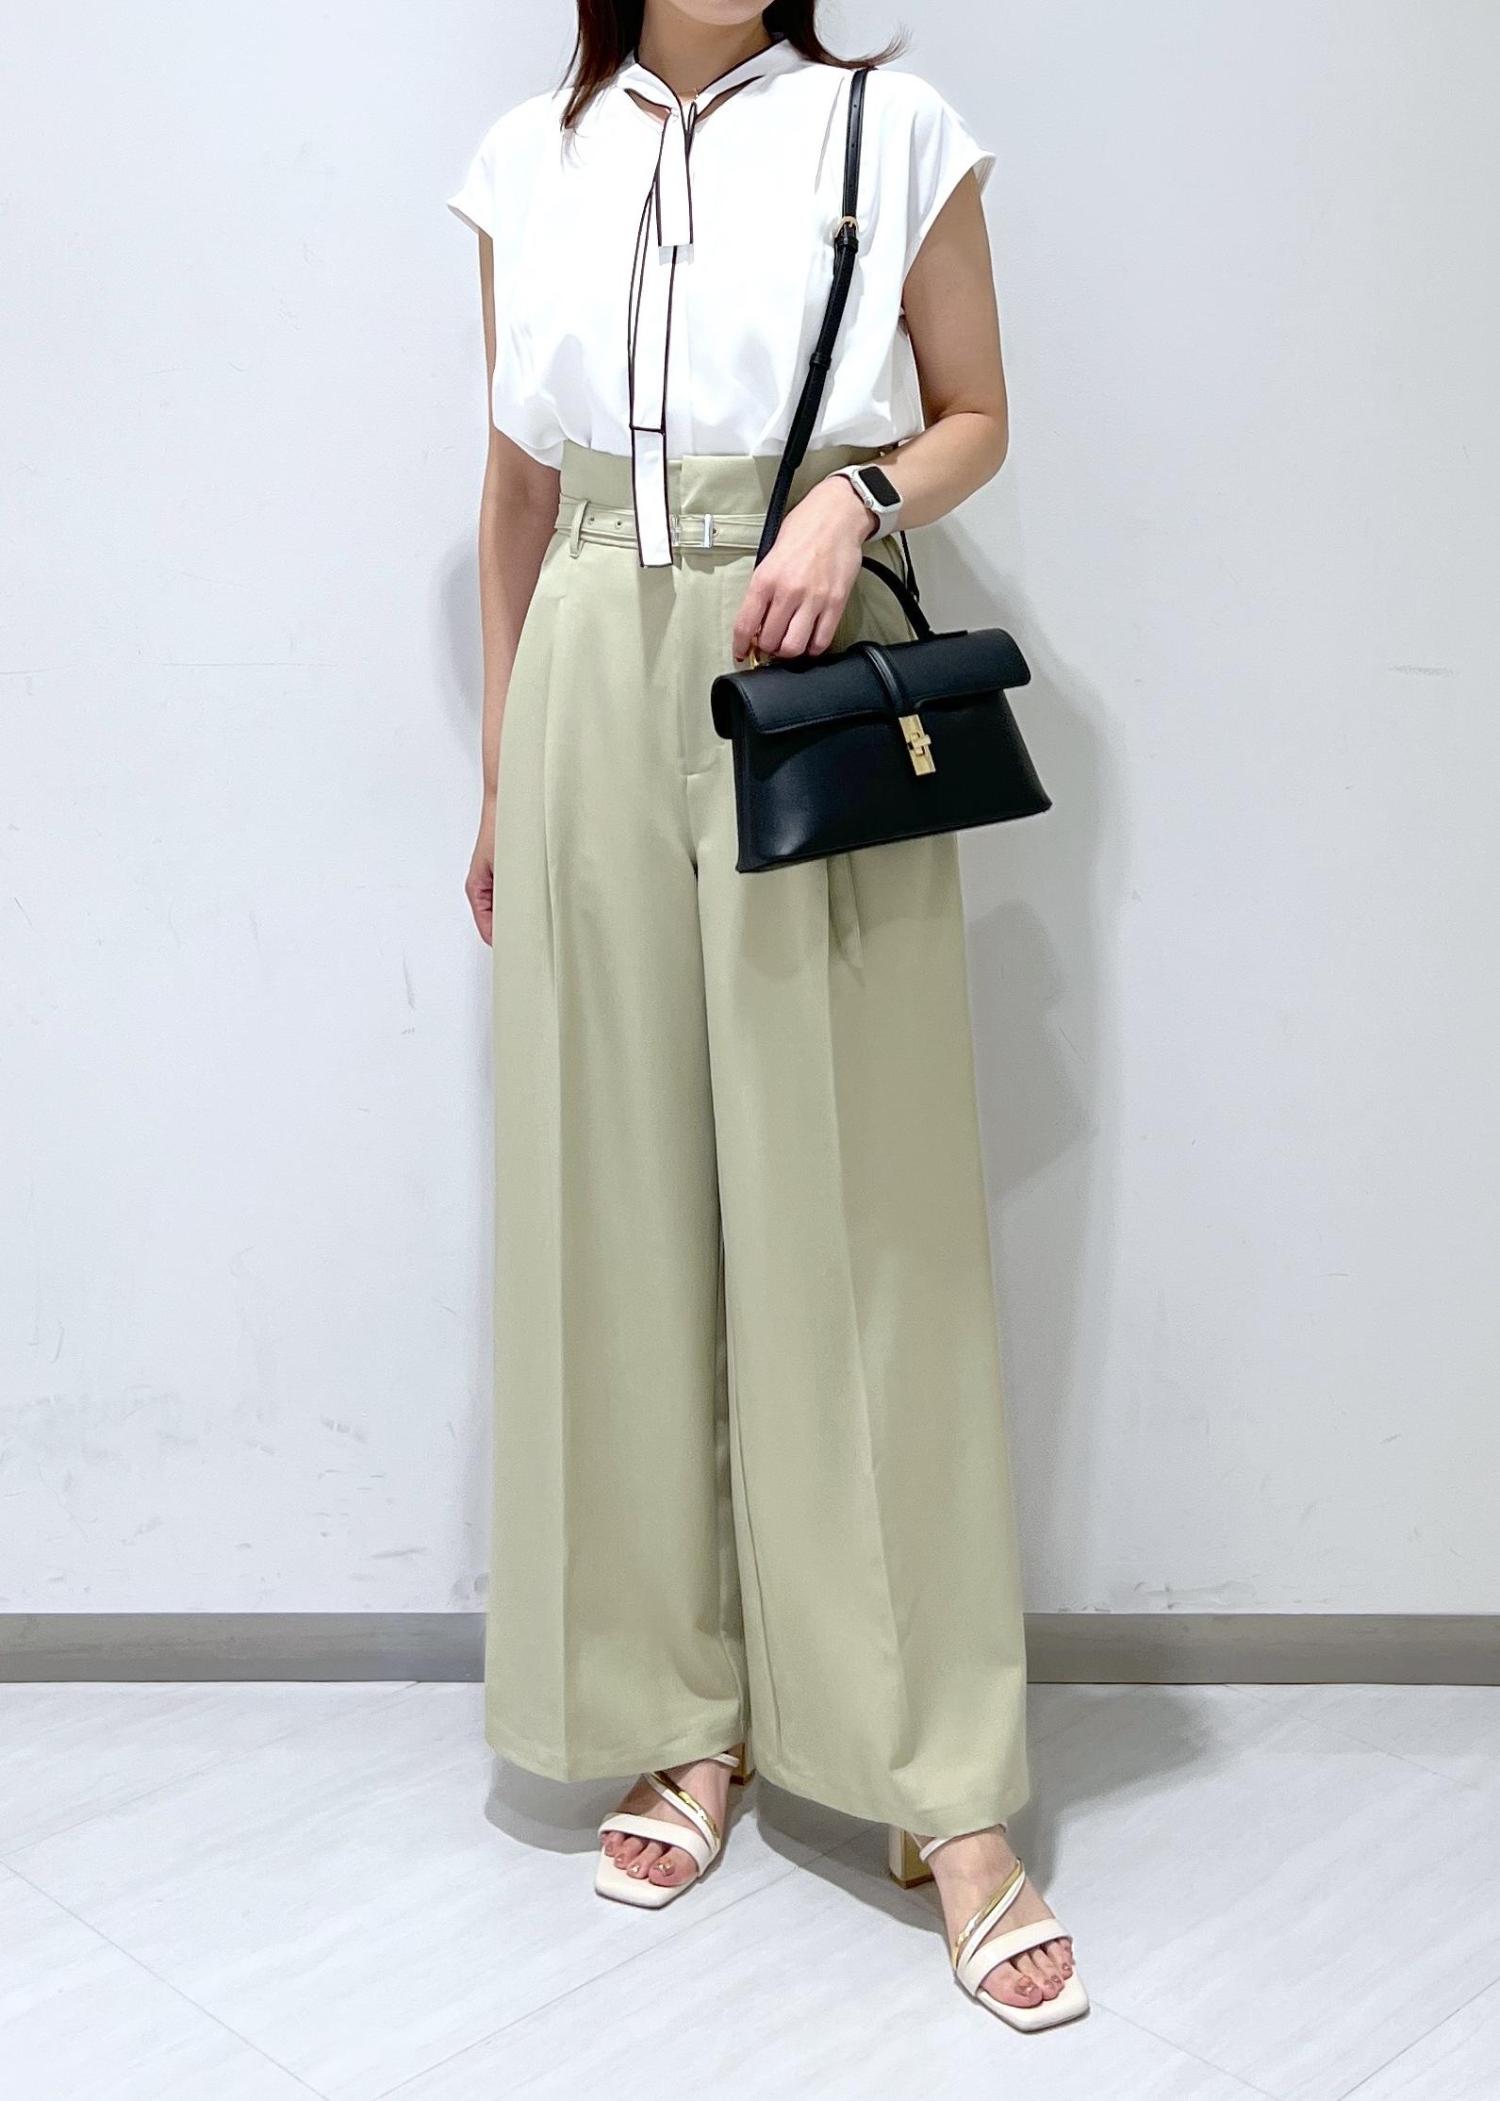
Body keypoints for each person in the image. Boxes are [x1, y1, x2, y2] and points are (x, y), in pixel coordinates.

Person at [448, 0, 1086, 2032]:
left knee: (857, 1217)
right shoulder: (526, 160)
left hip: (800, 666)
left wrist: (854, 499)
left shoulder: (894, 127)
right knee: (612, 1206)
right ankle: (676, 1711)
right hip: (584, 664)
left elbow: (977, 409)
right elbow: (514, 493)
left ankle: (941, 1784)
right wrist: (502, 777)